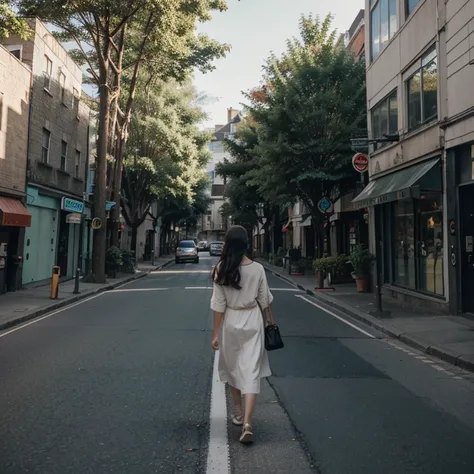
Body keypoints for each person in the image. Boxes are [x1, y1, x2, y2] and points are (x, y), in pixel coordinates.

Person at [210, 225, 273, 444]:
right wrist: (271, 322)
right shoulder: (257, 269)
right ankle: (247, 422)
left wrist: (215, 333)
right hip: (252, 319)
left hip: (231, 320)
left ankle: (237, 411)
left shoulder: (221, 268)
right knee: (251, 369)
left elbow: (218, 305)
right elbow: (265, 300)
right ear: (246, 244)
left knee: (233, 366)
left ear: (227, 244)